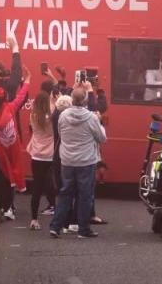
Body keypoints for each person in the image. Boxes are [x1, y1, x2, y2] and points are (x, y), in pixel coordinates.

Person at [49, 87, 107, 239]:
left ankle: (56, 226)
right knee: (85, 196)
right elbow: (102, 138)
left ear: (72, 99)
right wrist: (99, 121)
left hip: (67, 160)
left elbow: (60, 134)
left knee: (65, 193)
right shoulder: (91, 118)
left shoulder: (63, 116)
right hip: (86, 161)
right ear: (85, 100)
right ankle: (83, 229)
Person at [0, 68, 31, 221]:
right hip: (13, 149)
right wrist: (27, 80)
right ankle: (9, 208)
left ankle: (2, 206)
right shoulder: (11, 108)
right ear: (4, 98)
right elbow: (21, 96)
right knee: (12, 178)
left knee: (1, 180)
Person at [27, 91, 56, 230]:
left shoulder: (33, 116)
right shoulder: (51, 118)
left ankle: (34, 220)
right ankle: (57, 215)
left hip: (36, 155)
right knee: (51, 184)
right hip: (50, 155)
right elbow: (55, 109)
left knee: (36, 188)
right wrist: (54, 99)